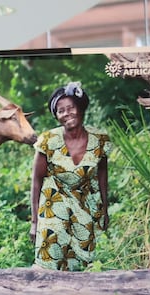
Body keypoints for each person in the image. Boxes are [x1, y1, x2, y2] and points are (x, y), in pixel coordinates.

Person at [30, 81, 112, 271]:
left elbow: (102, 175)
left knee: (80, 262)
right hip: (54, 199)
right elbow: (36, 182)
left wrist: (105, 209)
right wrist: (35, 222)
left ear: (80, 108)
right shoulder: (48, 141)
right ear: (57, 116)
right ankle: (41, 294)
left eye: (70, 108)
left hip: (85, 202)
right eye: (61, 111)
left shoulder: (100, 141)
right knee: (50, 252)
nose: (66, 114)